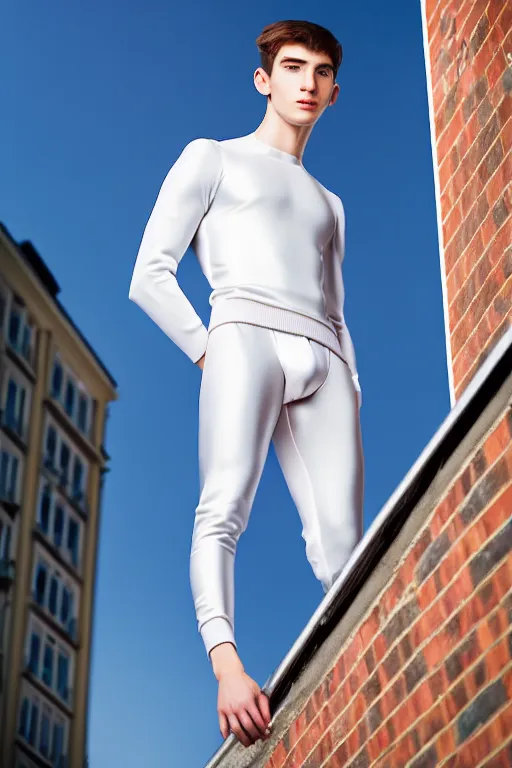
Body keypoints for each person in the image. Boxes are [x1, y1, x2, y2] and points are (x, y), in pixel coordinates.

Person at [128, 18, 364, 750]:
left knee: (346, 548)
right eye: (294, 67)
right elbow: (149, 275)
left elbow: (336, 305)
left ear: (332, 93)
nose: (307, 82)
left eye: (322, 72)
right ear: (265, 79)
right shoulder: (213, 159)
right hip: (244, 334)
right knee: (222, 508)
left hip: (325, 356)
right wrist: (209, 352)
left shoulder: (331, 204)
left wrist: (351, 382)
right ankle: (228, 668)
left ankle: (363, 683)